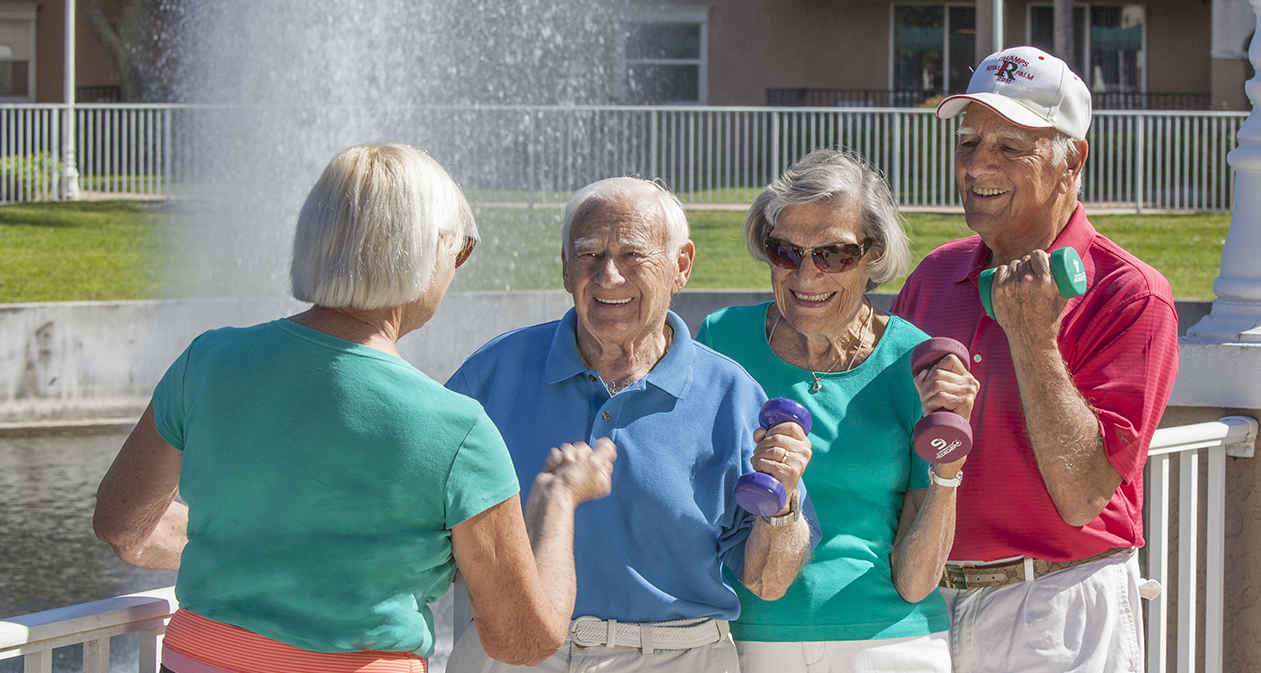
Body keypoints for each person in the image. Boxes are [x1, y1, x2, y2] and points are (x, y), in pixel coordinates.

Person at [93, 143, 615, 673]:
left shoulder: (208, 361)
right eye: (460, 251)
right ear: (427, 252)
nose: (457, 269)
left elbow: (122, 527)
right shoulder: (457, 431)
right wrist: (558, 500)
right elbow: (523, 640)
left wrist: (260, 546)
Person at [445, 176, 819, 673]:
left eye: (631, 255)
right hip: (515, 651)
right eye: (588, 255)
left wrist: (784, 503)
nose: (608, 277)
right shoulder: (492, 373)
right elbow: (416, 523)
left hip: (676, 656)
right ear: (563, 266)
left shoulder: (731, 395)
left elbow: (769, 582)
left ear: (680, 266)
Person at [891, 47, 1180, 672]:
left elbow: (1081, 498)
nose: (977, 164)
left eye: (1011, 146)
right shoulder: (936, 275)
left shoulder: (1132, 295)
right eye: (969, 142)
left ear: (1071, 160)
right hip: (923, 608)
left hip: (1056, 610)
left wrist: (1033, 338)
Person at [697, 148, 978, 672]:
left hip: (890, 644)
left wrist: (948, 467)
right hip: (749, 640)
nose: (806, 274)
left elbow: (916, 582)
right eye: (785, 251)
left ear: (873, 256)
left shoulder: (916, 361)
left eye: (834, 254)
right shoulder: (721, 339)